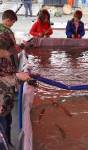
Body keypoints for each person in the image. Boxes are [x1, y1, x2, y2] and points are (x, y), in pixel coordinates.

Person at [0, 10, 30, 148]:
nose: (8, 52)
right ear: (8, 20)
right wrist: (17, 76)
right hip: (3, 95)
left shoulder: (6, 48)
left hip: (6, 93)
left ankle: (8, 142)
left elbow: (11, 51)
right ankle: (6, 143)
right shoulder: (4, 35)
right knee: (4, 119)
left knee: (8, 117)